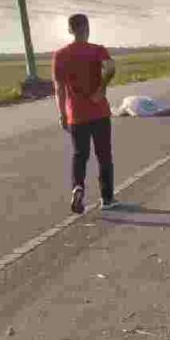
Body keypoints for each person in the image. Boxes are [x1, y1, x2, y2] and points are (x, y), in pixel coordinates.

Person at [52, 13, 117, 213]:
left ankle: (77, 187)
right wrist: (102, 87)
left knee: (79, 154)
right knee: (103, 154)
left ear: (70, 30)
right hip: (99, 111)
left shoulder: (61, 55)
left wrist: (62, 113)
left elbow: (59, 89)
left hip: (76, 114)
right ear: (87, 27)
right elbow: (111, 68)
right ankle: (107, 199)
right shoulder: (98, 50)